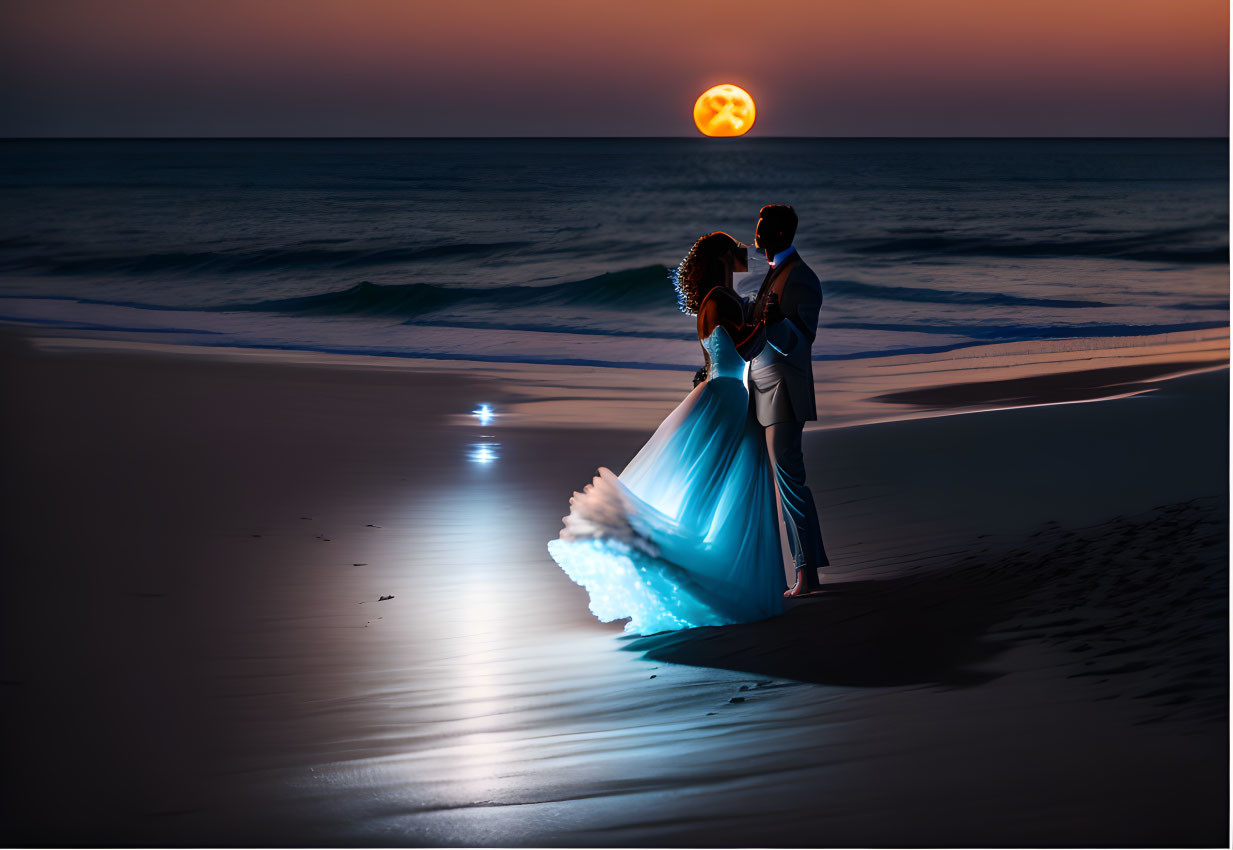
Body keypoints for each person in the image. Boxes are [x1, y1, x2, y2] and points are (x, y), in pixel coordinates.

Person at [546, 232, 785, 635]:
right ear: (723, 258)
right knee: (720, 487)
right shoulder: (722, 300)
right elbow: (746, 348)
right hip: (728, 396)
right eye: (735, 247)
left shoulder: (712, 301)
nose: (743, 250)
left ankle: (710, 572)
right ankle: (699, 573)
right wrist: (767, 318)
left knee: (710, 486)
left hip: (720, 392)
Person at [745, 204, 830, 597]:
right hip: (764, 389)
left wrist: (775, 323)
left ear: (779, 234)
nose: (756, 232)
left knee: (791, 484)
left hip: (784, 392)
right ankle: (805, 569)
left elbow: (800, 342)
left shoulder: (801, 278)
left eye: (763, 227)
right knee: (787, 483)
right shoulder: (775, 274)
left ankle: (806, 574)